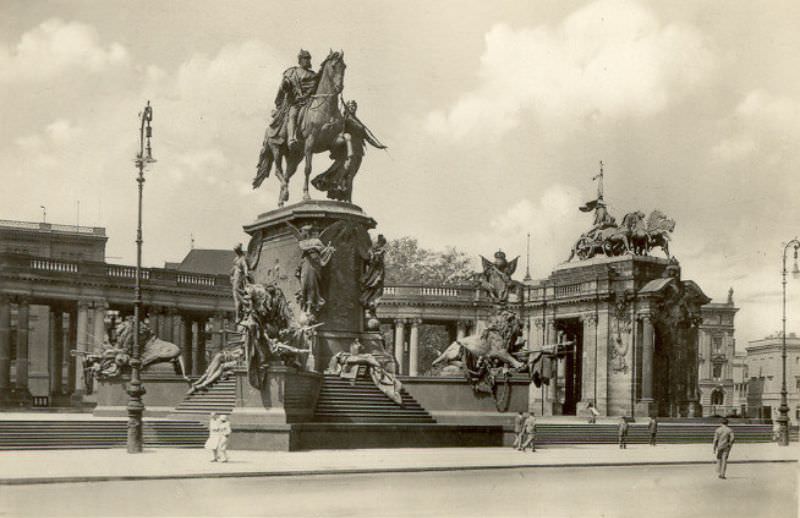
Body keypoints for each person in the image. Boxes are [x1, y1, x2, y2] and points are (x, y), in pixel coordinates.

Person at [273, 49, 320, 150]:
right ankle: (291, 138)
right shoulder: (292, 72)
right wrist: (285, 87)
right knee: (293, 115)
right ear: (300, 60)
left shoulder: (313, 75)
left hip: (310, 103)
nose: (307, 61)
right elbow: (283, 88)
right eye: (305, 59)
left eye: (309, 59)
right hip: (296, 103)